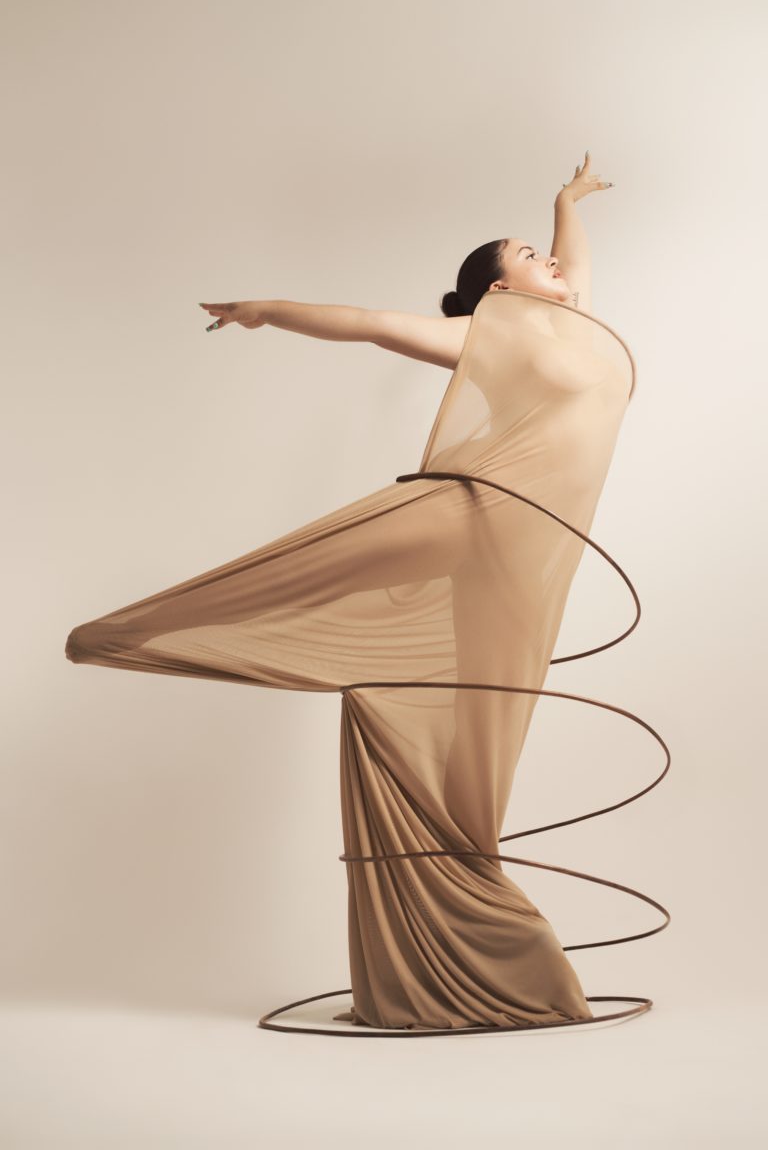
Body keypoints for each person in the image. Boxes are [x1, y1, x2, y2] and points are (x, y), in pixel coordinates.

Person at [66, 154, 636, 1032]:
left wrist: (565, 201)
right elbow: (370, 325)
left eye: (545, 251)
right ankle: (136, 629)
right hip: (473, 512)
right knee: (311, 568)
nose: (552, 260)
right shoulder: (485, 334)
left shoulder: (576, 326)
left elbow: (576, 260)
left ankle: (463, 922)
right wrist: (265, 310)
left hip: (521, 561)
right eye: (530, 255)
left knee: (481, 735)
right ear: (496, 290)